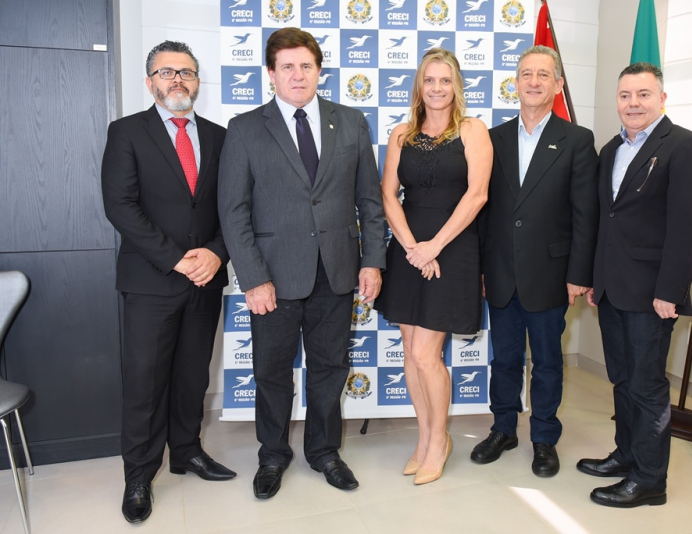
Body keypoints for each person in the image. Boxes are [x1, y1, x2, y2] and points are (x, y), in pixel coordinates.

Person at [217, 27, 385, 499]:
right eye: (287, 66)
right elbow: (233, 211)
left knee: (330, 368)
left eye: (306, 66)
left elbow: (370, 201)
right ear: (270, 74)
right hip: (272, 277)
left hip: (337, 271)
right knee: (272, 372)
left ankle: (325, 452)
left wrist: (372, 261)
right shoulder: (245, 128)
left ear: (319, 71)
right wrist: (253, 278)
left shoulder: (350, 122)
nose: (297, 74)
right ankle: (272, 455)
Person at [101, 41, 235, 524]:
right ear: (150, 81)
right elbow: (120, 206)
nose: (177, 79)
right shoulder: (126, 132)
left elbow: (232, 207)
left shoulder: (220, 137)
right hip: (151, 281)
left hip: (206, 279)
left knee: (192, 376)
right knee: (145, 383)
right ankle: (138, 475)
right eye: (166, 72)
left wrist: (216, 253)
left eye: (186, 72)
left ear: (198, 81)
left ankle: (187, 452)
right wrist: (177, 259)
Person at [580, 62, 692, 507]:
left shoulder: (685, 146)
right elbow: (606, 221)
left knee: (647, 386)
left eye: (643, 94)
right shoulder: (611, 149)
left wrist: (670, 291)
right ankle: (627, 455)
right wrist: (595, 279)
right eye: (625, 95)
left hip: (652, 293)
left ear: (662, 99)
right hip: (612, 289)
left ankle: (650, 479)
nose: (633, 103)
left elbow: (687, 228)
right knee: (622, 379)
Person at [472, 45, 599, 477]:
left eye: (543, 75)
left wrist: (579, 274)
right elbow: (483, 209)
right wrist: (482, 268)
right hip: (501, 272)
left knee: (546, 362)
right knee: (504, 359)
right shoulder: (493, 139)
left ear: (557, 84)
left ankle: (544, 438)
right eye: (526, 73)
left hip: (551, 274)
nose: (533, 81)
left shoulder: (577, 140)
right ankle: (503, 429)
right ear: (515, 83)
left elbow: (585, 214)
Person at [374, 48, 492, 485]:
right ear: (419, 86)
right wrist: (412, 248)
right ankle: (424, 439)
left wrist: (434, 248)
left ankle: (439, 441)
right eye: (429, 80)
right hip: (408, 250)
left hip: (452, 250)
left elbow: (477, 195)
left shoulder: (473, 130)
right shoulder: (401, 134)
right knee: (410, 353)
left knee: (427, 354)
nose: (437, 88)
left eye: (445, 80)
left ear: (456, 86)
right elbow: (388, 195)